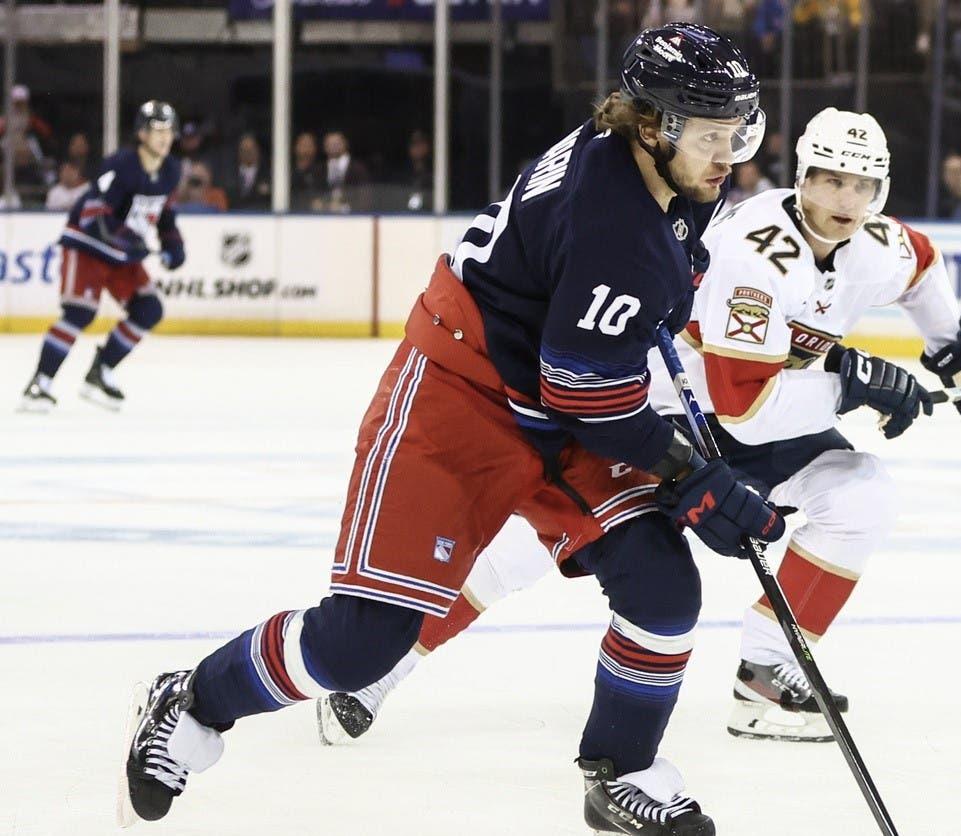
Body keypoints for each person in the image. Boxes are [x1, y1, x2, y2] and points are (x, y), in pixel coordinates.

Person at [116, 24, 781, 836]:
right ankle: (193, 703)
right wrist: (686, 470)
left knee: (663, 586)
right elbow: (585, 388)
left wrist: (685, 455)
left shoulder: (648, 170)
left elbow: (607, 344)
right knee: (362, 644)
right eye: (712, 136)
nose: (729, 155)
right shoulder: (616, 223)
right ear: (651, 125)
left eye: (737, 131)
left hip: (551, 390)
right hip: (461, 395)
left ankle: (623, 768)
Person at [313, 107, 961, 747]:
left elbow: (921, 270)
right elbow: (744, 401)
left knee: (860, 496)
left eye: (863, 186)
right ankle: (380, 671)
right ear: (801, 176)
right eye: (830, 180)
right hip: (674, 414)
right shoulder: (755, 249)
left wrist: (954, 351)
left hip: (766, 415)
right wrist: (851, 385)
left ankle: (766, 675)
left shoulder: (881, 244)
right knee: (530, 552)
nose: (846, 200)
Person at [19, 101, 185, 413]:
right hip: (87, 246)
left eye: (169, 131)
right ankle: (39, 384)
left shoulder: (171, 170)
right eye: (157, 131)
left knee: (148, 309)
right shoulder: (120, 164)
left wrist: (174, 246)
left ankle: (99, 373)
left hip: (122, 253)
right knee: (80, 313)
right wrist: (128, 242)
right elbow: (96, 214)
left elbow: (165, 214)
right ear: (141, 134)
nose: (164, 138)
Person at [315, 131, 371, 212]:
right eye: (330, 143)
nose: (333, 146)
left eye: (337, 143)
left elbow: (365, 197)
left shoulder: (358, 169)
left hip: (351, 218)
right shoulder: (319, 169)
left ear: (345, 144)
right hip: (322, 218)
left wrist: (344, 208)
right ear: (325, 147)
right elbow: (313, 195)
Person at [229, 133, 271, 210]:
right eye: (244, 149)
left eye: (251, 149)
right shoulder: (229, 173)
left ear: (258, 150)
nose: (248, 152)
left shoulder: (269, 174)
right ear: (239, 151)